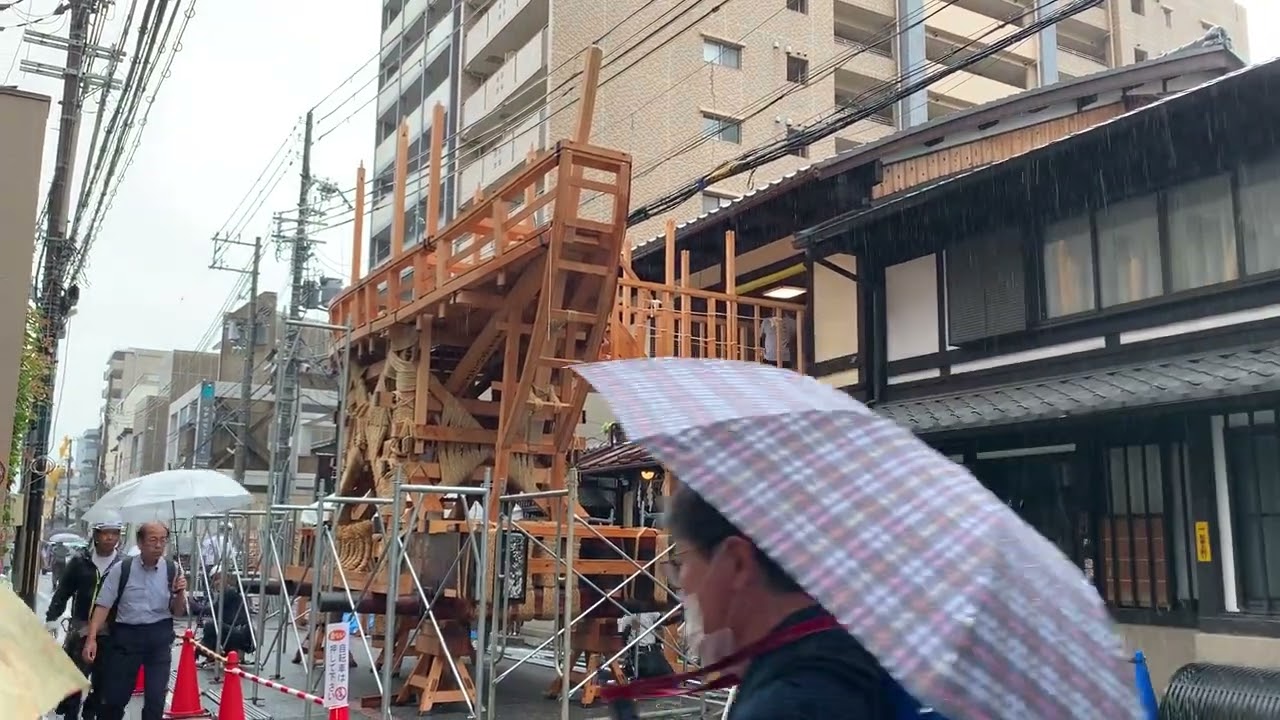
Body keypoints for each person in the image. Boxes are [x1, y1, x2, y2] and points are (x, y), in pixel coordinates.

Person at [665, 484, 893, 719]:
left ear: (736, 563)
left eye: (681, 560)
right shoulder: (856, 662)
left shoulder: (782, 705)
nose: (681, 583)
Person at [83, 521, 187, 720]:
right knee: (115, 698)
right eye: (153, 540)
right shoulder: (122, 569)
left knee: (156, 699)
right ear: (140, 543)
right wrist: (92, 638)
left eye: (163, 540)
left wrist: (180, 593)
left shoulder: (172, 570)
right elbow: (103, 605)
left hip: (159, 638)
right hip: (126, 638)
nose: (158, 545)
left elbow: (178, 612)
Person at [45, 516, 125, 720]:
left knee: (102, 685)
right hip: (81, 628)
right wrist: (52, 618)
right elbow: (63, 591)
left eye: (115, 533)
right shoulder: (80, 562)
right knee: (75, 682)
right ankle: (70, 714)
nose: (110, 537)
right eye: (105, 532)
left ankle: (90, 714)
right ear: (96, 535)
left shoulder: (123, 565)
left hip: (110, 632)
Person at [197, 566, 254, 667]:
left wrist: (195, 606)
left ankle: (205, 653)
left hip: (241, 634)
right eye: (215, 579)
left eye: (219, 578)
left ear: (227, 578)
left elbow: (213, 610)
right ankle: (209, 653)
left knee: (211, 625)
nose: (217, 582)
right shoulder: (225, 593)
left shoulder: (229, 592)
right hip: (236, 632)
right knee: (212, 627)